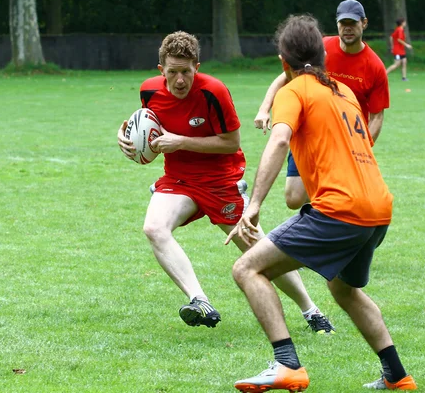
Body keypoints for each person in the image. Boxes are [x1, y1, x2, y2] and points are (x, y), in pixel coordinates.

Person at [228, 15, 417, 392]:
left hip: (341, 210)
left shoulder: (293, 91)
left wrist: (253, 204)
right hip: (378, 210)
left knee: (247, 268)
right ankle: (397, 376)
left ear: (285, 64)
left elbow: (279, 140)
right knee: (343, 288)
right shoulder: (344, 92)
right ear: (323, 56)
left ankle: (286, 365)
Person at [116, 31, 335, 334]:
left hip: (221, 181)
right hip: (179, 179)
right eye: (172, 73)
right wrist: (126, 138)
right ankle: (199, 300)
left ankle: (311, 311)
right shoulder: (149, 91)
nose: (180, 80)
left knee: (257, 250)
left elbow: (231, 143)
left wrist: (180, 141)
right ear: (160, 71)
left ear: (197, 66)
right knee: (154, 228)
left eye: (186, 72)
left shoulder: (214, 92)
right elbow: (147, 127)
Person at [254, 0, 389, 210]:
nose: (347, 28)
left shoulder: (375, 66)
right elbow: (285, 76)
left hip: (345, 137)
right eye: (343, 23)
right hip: (310, 131)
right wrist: (264, 109)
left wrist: (361, 149)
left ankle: (323, 218)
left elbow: (377, 116)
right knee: (293, 198)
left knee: (335, 194)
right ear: (337, 24)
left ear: (364, 23)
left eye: (352, 23)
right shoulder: (322, 47)